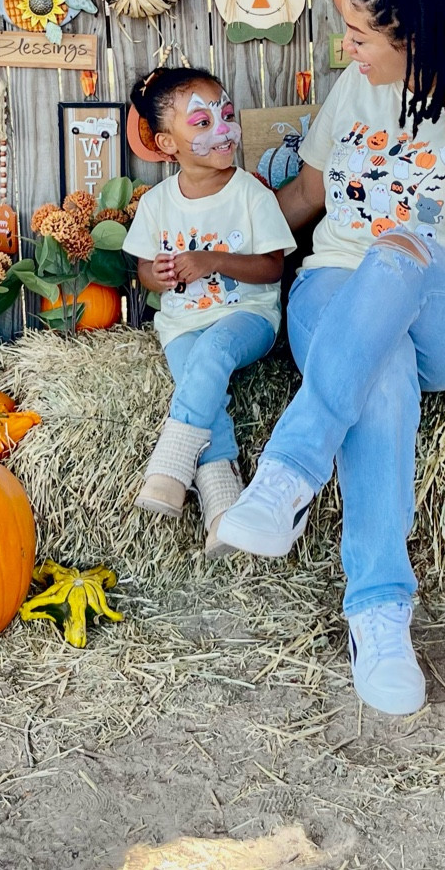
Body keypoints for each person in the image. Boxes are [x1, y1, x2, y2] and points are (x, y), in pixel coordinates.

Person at [217, 0, 445, 715]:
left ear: (414, 33)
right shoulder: (356, 88)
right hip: (336, 290)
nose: (348, 48)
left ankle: (290, 469)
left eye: (362, 35)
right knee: (381, 367)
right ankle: (380, 612)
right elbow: (309, 195)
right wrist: (220, 247)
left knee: (400, 250)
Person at [124, 67, 296, 556]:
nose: (221, 129)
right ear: (166, 142)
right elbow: (143, 273)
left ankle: (171, 463)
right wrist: (156, 275)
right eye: (201, 123)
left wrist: (213, 261)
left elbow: (271, 268)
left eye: (224, 114)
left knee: (215, 352)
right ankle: (223, 507)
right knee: (199, 377)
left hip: (247, 316)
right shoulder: (157, 204)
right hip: (181, 324)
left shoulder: (250, 194)